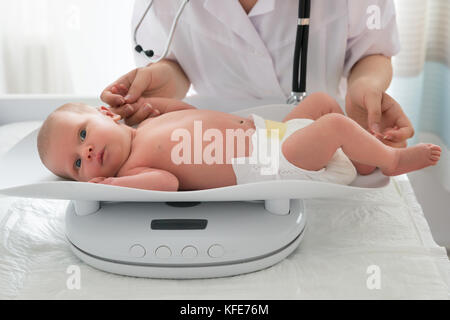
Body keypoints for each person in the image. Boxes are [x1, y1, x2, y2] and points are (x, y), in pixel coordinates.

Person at [100, 0, 413, 177]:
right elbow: (175, 62)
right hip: (214, 153)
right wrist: (161, 79)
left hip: (316, 140)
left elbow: (372, 51)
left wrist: (366, 87)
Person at [36, 93, 440, 191]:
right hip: (270, 162)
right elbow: (167, 184)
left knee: (320, 102)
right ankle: (388, 160)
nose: (86, 152)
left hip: (273, 133)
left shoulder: (148, 125)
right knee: (333, 124)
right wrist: (110, 185)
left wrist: (149, 104)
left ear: (106, 114)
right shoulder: (134, 168)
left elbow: (185, 107)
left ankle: (363, 158)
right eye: (76, 165)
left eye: (83, 135)